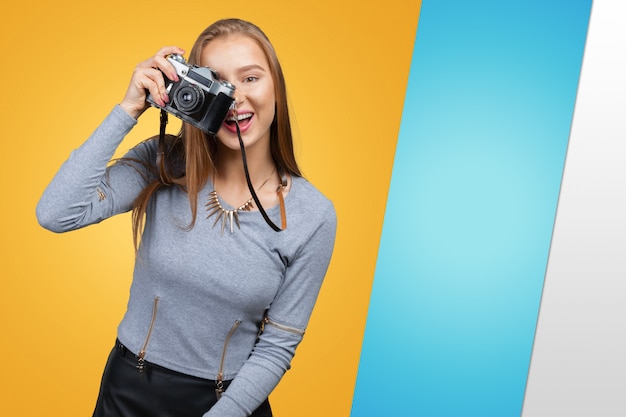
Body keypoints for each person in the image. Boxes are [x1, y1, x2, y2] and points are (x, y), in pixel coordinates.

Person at [36, 18, 336, 417]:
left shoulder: (313, 215)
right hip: (128, 394)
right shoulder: (163, 160)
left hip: (228, 405)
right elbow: (55, 213)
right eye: (218, 83)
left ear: (276, 86)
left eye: (250, 78)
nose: (235, 99)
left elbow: (277, 347)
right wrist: (128, 109)